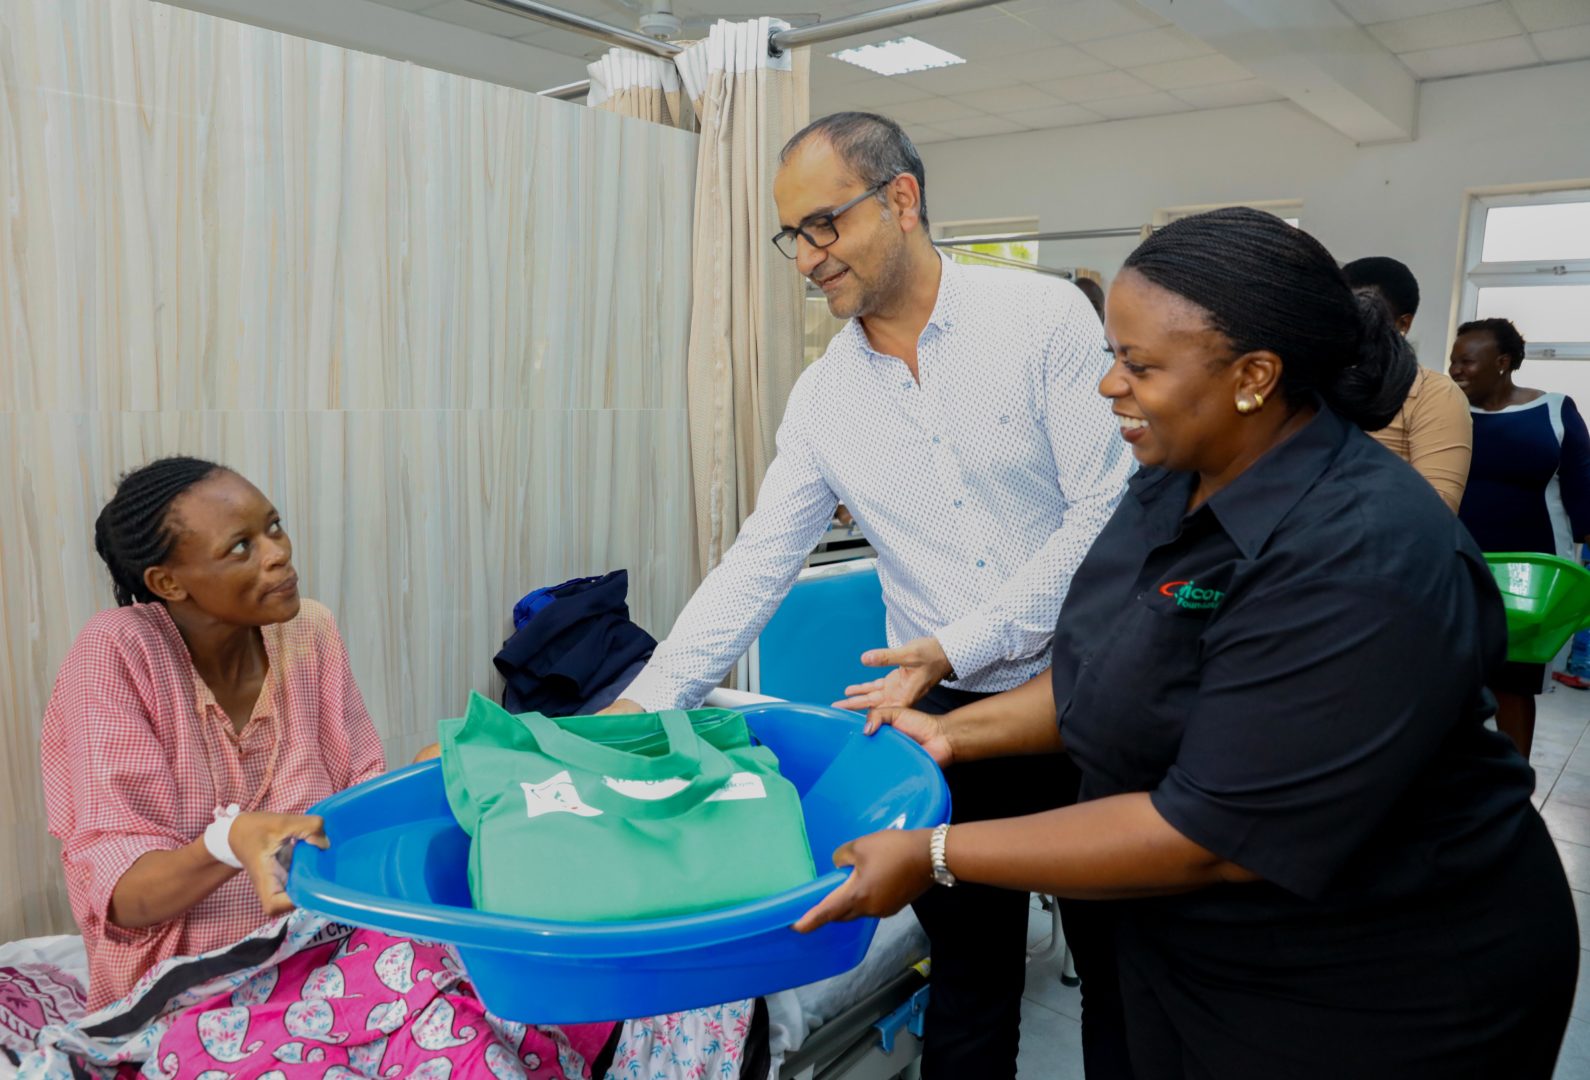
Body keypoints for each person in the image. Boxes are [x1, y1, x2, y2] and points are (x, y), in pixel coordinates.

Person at [797, 208, 1577, 1079]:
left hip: (1385, 978)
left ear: (1253, 375)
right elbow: (1118, 668)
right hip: (1198, 952)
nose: (1108, 387)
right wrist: (954, 732)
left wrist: (935, 855)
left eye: (1139, 365)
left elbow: (1208, 835)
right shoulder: (1171, 482)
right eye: (1110, 357)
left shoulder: (1363, 551)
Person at [603, 112, 1135, 1078]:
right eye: (791, 236)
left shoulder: (1044, 320)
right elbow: (760, 557)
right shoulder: (823, 398)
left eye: (824, 225)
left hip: (1088, 699)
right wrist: (646, 703)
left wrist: (960, 639)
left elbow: (1106, 517)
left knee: (1122, 969)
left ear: (901, 198)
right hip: (940, 726)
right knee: (970, 972)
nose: (807, 258)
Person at [38, 457, 616, 1077]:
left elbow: (351, 810)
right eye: (241, 547)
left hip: (326, 948)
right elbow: (123, 896)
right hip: (193, 991)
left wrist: (424, 783)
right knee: (441, 1018)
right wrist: (227, 843)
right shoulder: (118, 652)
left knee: (542, 980)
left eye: (274, 527)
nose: (278, 553)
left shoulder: (307, 631)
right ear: (169, 582)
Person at [1451, 317, 1590, 756]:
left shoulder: (1554, 410)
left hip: (1531, 578)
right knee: (1451, 681)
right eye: (1453, 361)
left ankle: (1513, 791)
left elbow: (1582, 494)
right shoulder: (1446, 412)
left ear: (1503, 362)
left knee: (1514, 684)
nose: (1456, 370)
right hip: (1456, 564)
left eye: (1467, 362)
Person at [1343, 255, 1471, 512]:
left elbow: (1436, 511)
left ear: (1404, 323)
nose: (1354, 325)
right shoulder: (1314, 377)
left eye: (1368, 313)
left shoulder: (1434, 394)